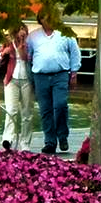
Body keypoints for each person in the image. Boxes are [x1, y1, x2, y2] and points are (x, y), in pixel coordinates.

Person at [27, 9, 81, 154]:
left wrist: (74, 72)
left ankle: (62, 135)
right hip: (41, 76)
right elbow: (29, 56)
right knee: (45, 110)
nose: (49, 20)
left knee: (60, 104)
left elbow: (75, 52)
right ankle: (50, 141)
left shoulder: (65, 33)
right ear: (41, 19)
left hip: (60, 74)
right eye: (46, 17)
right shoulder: (33, 37)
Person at [0, 23, 34, 152]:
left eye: (24, 30)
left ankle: (25, 143)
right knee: (11, 110)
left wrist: (22, 45)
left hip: (27, 80)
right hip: (12, 79)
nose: (22, 32)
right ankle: (7, 139)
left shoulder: (29, 44)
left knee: (27, 113)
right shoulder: (8, 43)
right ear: (14, 32)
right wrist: (4, 53)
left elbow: (26, 58)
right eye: (19, 30)